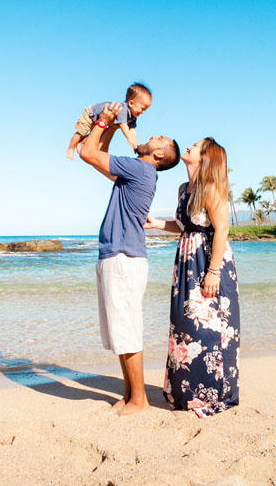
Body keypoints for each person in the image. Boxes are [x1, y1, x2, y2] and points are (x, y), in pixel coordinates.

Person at [80, 102, 180, 416]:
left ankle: (140, 400)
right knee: (119, 329)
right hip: (118, 253)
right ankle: (128, 394)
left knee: (127, 327)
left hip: (124, 255)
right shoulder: (135, 172)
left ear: (159, 154)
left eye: (159, 138)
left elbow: (86, 152)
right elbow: (95, 156)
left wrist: (104, 122)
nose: (152, 135)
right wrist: (106, 124)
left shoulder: (140, 168)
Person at [144, 138, 240, 418]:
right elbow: (185, 226)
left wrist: (213, 272)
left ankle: (213, 393)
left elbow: (221, 230)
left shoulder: (211, 188)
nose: (188, 146)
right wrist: (158, 224)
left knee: (211, 329)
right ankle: (185, 391)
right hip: (186, 264)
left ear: (205, 157)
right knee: (185, 325)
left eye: (195, 145)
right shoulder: (183, 189)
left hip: (210, 262)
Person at [66, 82, 152, 160]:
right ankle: (70, 148)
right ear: (131, 103)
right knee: (81, 132)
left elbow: (133, 130)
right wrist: (129, 137)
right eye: (142, 108)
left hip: (101, 120)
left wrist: (134, 144)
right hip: (92, 114)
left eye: (145, 110)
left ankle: (80, 143)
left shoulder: (133, 116)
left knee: (96, 135)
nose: (143, 112)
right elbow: (123, 125)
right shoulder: (122, 109)